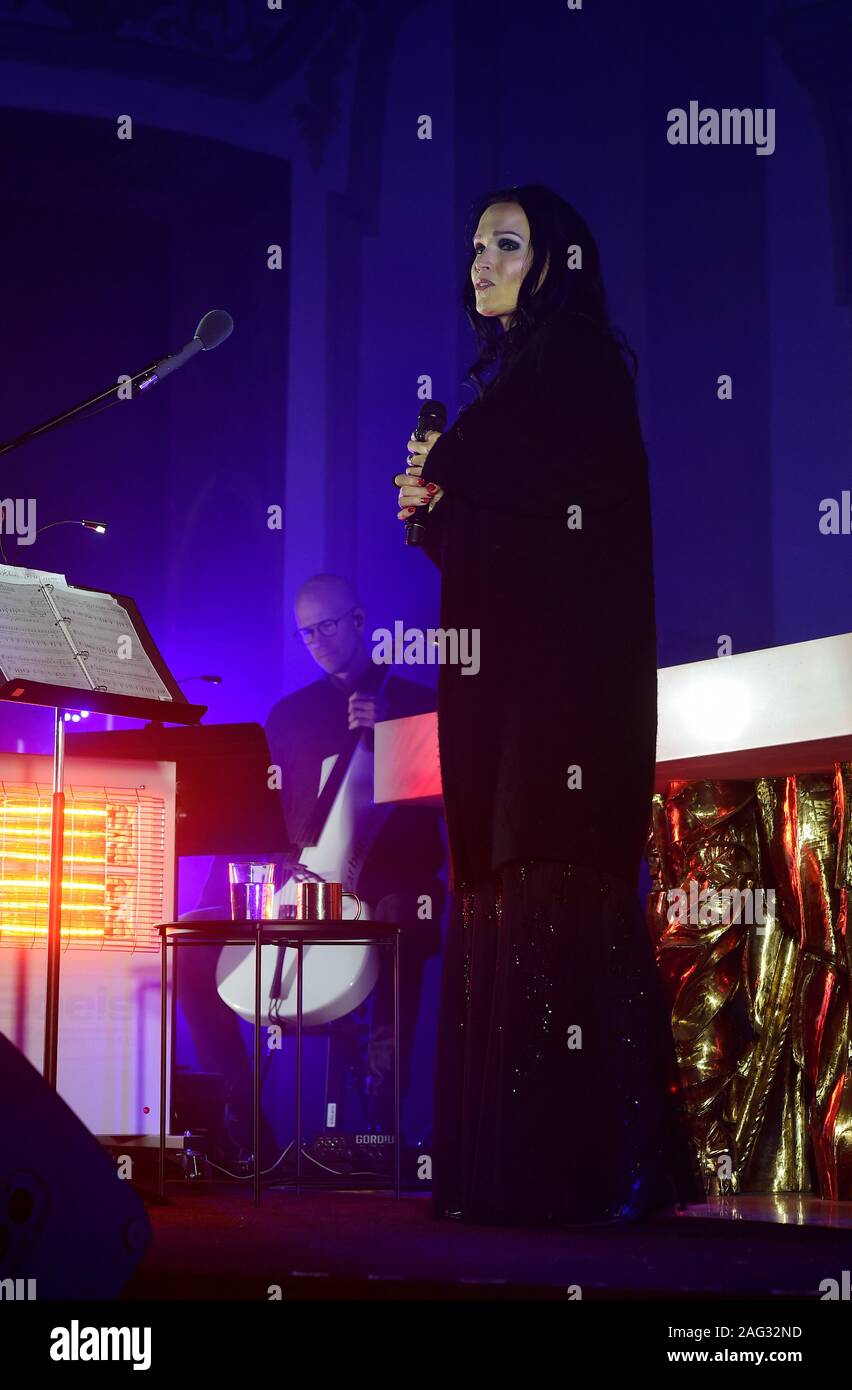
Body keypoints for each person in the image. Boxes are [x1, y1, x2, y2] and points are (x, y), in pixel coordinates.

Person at [393, 183, 700, 1225]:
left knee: (545, 889)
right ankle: (517, 1177)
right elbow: (512, 544)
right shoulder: (518, 383)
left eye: (508, 245)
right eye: (476, 243)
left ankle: (570, 1177)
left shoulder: (571, 365)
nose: (480, 260)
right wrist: (441, 516)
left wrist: (455, 469)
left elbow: (551, 499)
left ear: (556, 262)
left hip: (562, 708)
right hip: (516, 697)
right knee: (504, 891)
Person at [179, 574, 445, 1156]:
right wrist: (280, 870)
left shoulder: (418, 703)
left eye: (327, 626)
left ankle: (380, 1121)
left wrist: (392, 740)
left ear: (358, 619)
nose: (318, 640)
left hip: (389, 883)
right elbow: (265, 816)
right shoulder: (288, 716)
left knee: (402, 920)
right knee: (192, 951)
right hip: (296, 885)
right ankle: (240, 1122)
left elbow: (444, 810)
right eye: (306, 633)